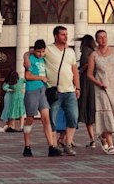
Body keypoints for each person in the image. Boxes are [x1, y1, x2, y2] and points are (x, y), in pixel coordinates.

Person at [86, 29, 114, 155]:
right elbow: (89, 74)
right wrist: (98, 83)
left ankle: (103, 136)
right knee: (106, 114)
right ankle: (111, 145)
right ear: (96, 40)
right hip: (102, 88)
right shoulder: (93, 55)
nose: (103, 39)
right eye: (100, 37)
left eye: (105, 37)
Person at [21, 40, 60, 158]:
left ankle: (51, 146)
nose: (40, 54)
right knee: (30, 119)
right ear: (35, 50)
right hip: (31, 91)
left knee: (46, 119)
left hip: (42, 92)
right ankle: (27, 146)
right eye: (38, 51)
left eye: (42, 51)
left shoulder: (44, 59)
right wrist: (40, 78)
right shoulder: (31, 59)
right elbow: (27, 76)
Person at [45, 25, 79, 156]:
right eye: (63, 34)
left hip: (70, 91)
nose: (66, 37)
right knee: (52, 119)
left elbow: (74, 71)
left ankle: (68, 144)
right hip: (55, 91)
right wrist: (26, 59)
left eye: (66, 34)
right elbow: (30, 53)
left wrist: (78, 87)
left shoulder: (70, 51)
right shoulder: (48, 49)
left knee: (73, 117)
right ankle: (53, 145)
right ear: (56, 36)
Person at [77, 36, 97, 146]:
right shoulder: (95, 52)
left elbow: (86, 63)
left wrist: (79, 72)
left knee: (79, 108)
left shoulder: (86, 51)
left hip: (85, 82)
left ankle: (65, 138)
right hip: (93, 82)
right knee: (91, 111)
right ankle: (93, 139)